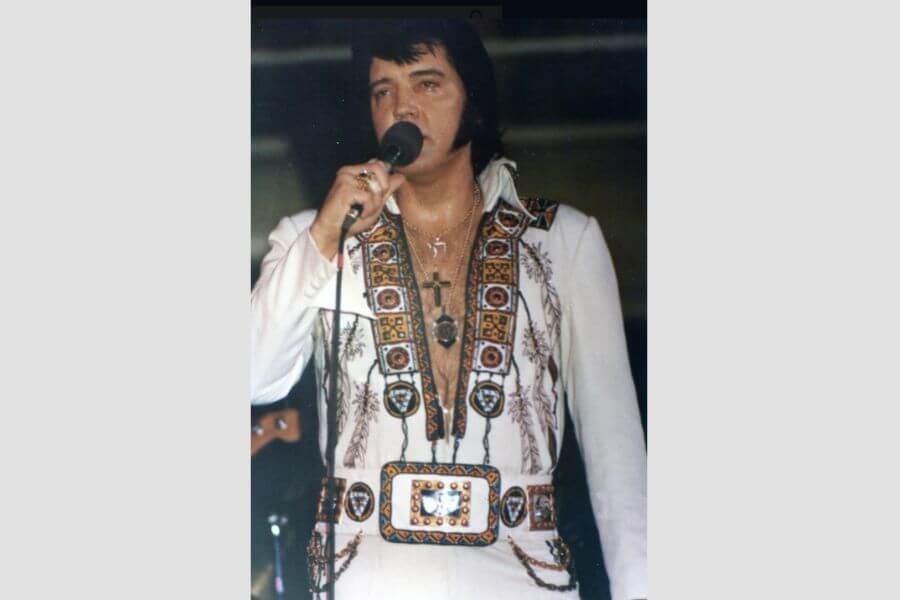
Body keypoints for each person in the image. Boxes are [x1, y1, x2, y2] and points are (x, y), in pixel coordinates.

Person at [251, 20, 647, 600]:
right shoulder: (311, 238)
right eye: (382, 91)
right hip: (365, 581)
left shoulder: (563, 242)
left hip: (524, 580)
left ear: (476, 104)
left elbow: (620, 464)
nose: (401, 107)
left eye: (427, 84)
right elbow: (254, 377)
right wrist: (324, 238)